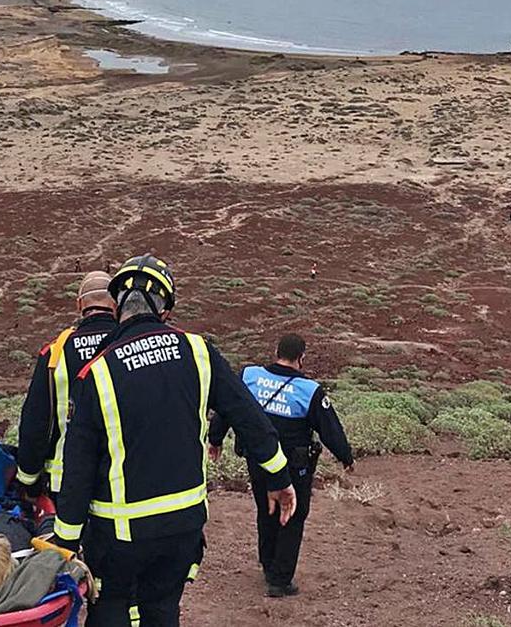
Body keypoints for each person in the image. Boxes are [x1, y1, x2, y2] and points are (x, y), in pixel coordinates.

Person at [52, 254, 297, 627]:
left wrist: (66, 541)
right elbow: (248, 415)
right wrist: (278, 477)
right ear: (165, 309)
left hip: (120, 536)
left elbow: (79, 465)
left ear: (118, 307)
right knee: (163, 611)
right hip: (182, 529)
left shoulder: (97, 372)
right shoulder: (199, 352)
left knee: (111, 609)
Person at [208, 333, 354, 598]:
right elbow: (330, 429)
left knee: (266, 509)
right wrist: (346, 456)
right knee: (293, 515)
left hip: (258, 460)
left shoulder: (249, 377)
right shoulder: (309, 391)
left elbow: (230, 407)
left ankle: (268, 564)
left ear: (276, 351)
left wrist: (215, 439)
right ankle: (280, 579)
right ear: (301, 358)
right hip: (294, 466)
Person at [16, 271, 118, 501]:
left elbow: (36, 422)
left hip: (66, 482)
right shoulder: (128, 345)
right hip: (122, 478)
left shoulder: (55, 353)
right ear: (115, 303)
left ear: (79, 304)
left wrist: (28, 479)